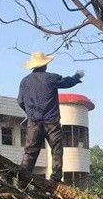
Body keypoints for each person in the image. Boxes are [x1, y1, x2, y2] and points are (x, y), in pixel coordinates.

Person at [17, 52, 84, 183]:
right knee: (56, 150)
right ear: (45, 65)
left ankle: (22, 180)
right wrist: (77, 76)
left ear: (33, 66)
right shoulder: (51, 78)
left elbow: (20, 101)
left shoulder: (25, 81)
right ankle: (56, 179)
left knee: (30, 152)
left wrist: (30, 113)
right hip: (51, 122)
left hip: (34, 123)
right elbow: (68, 82)